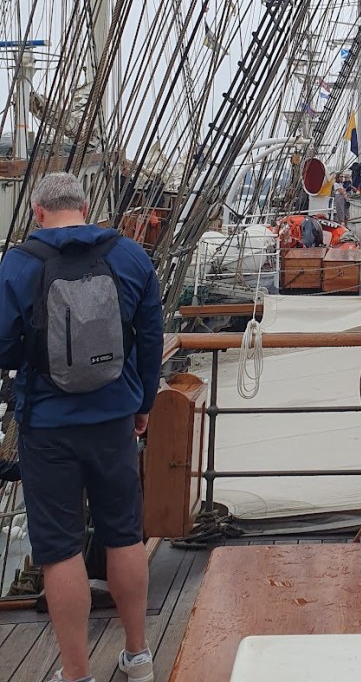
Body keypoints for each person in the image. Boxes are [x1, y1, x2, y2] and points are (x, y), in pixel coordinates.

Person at [0, 172, 164, 682]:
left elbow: (3, 345)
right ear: (87, 206)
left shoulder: (18, 264)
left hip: (46, 427)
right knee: (123, 535)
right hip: (115, 418)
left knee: (59, 549)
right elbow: (151, 334)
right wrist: (143, 402)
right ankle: (138, 657)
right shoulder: (130, 256)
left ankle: (76, 673)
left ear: (37, 211)